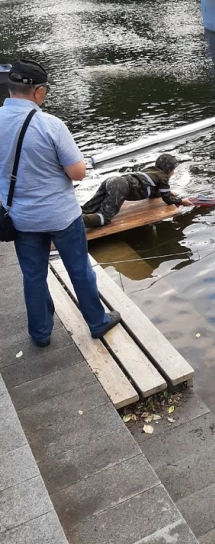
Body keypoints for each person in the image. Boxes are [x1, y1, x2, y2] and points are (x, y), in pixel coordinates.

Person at [0, 59, 120, 346]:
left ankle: (40, 334)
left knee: (33, 276)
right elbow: (77, 173)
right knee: (79, 269)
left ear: (10, 87)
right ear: (39, 92)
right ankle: (97, 321)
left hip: (20, 218)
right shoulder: (50, 124)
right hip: (61, 217)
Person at [81, 154, 193, 228]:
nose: (173, 173)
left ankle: (70, 218)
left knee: (89, 208)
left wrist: (167, 192)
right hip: (121, 186)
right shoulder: (163, 177)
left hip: (113, 180)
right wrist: (181, 201)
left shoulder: (151, 171)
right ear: (168, 170)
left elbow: (150, 191)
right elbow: (167, 200)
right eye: (173, 170)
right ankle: (77, 223)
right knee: (105, 217)